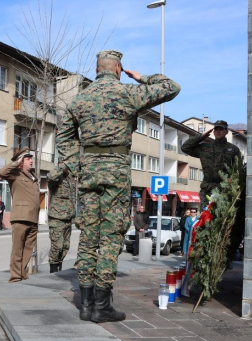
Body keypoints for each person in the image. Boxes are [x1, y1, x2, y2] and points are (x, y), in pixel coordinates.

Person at [56, 50, 181, 323]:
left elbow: (63, 138)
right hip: (116, 171)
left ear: (98, 68)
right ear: (117, 69)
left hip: (88, 171)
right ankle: (103, 307)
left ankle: (86, 305)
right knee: (111, 237)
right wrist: (142, 77)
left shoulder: (79, 100)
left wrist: (78, 167)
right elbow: (172, 87)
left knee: (89, 236)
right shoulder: (128, 93)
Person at [181, 120, 242, 210]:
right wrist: (200, 137)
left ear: (226, 131)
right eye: (216, 129)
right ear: (213, 131)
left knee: (223, 219)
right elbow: (185, 148)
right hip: (207, 189)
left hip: (224, 190)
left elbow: (238, 169)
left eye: (221, 129)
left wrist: (232, 181)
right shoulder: (204, 147)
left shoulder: (233, 149)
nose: (218, 131)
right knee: (206, 218)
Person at [0, 146, 40, 283]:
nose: (31, 161)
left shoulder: (33, 176)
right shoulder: (15, 174)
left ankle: (22, 273)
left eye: (31, 158)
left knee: (28, 249)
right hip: (21, 217)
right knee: (18, 248)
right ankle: (15, 277)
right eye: (27, 159)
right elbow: (2, 172)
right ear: (21, 161)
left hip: (33, 217)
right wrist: (16, 162)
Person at [47, 162, 76, 273]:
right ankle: (53, 272)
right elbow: (51, 177)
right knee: (57, 247)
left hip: (68, 218)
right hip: (57, 217)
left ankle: (59, 268)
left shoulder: (69, 178)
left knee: (65, 246)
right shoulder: (56, 176)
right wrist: (62, 167)